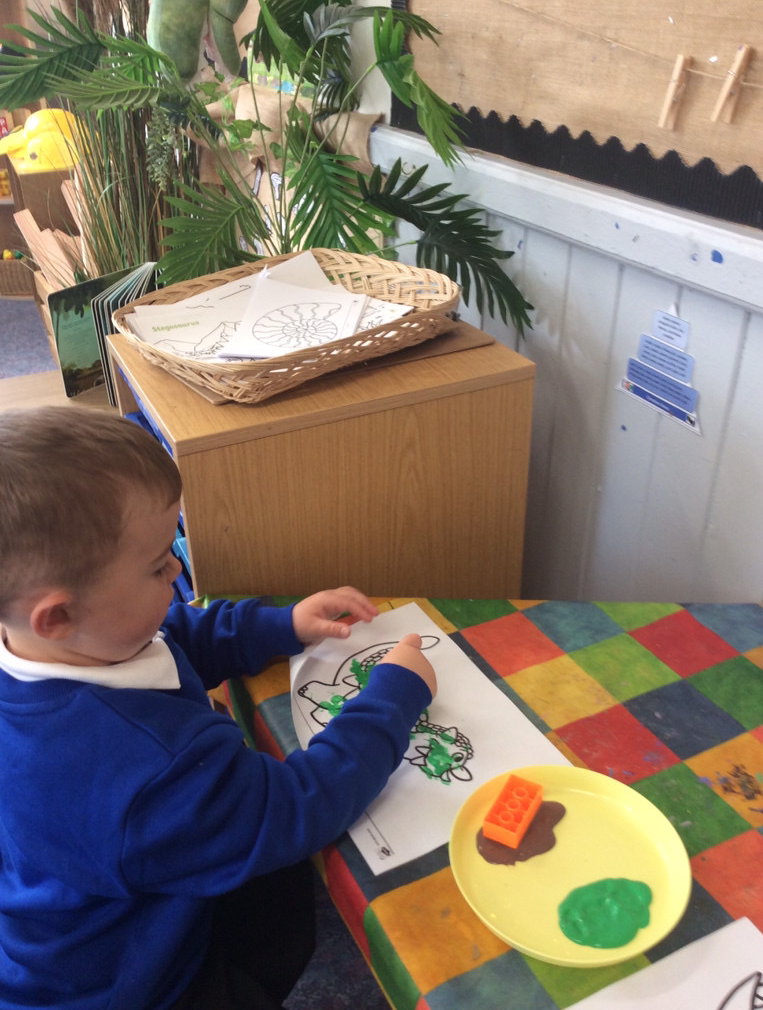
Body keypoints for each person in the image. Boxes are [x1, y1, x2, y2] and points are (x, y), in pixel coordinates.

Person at [0, 406, 437, 1010]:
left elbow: (173, 636)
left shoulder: (59, 644)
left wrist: (283, 624)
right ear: (58, 616)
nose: (177, 568)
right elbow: (298, 806)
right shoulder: (139, 770)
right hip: (133, 986)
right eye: (157, 564)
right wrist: (395, 696)